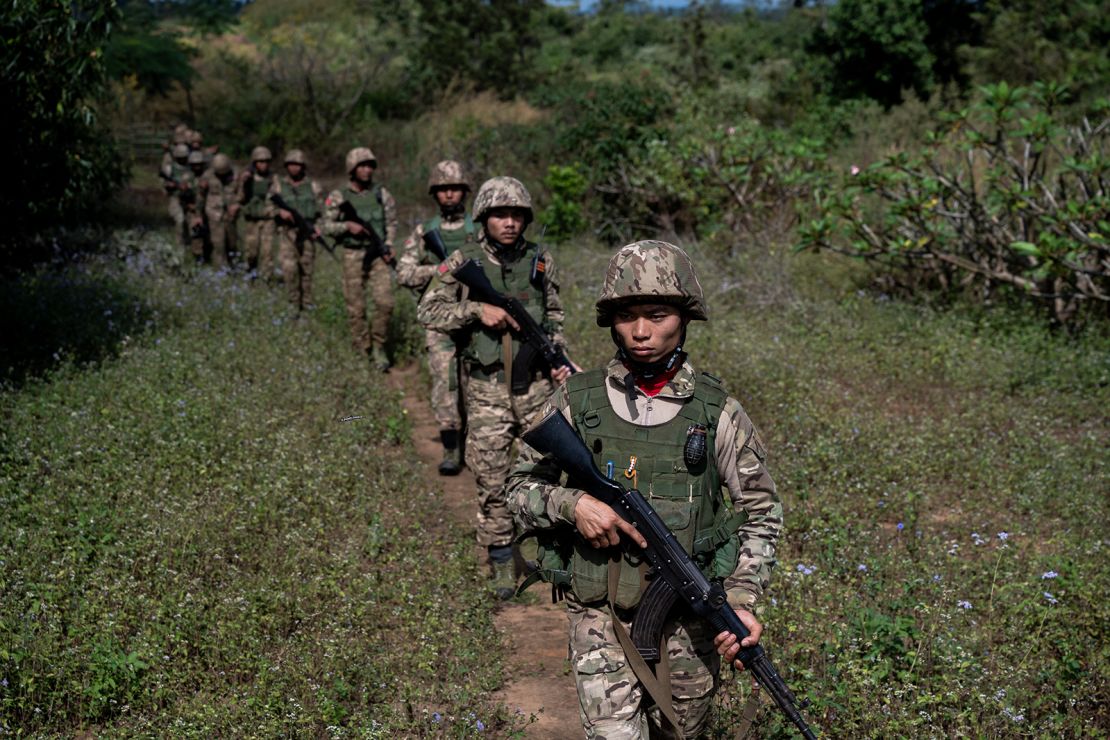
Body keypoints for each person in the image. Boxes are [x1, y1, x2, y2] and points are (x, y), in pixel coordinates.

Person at [505, 240, 782, 737]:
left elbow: (761, 513)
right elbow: (518, 486)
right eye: (627, 315)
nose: (640, 331)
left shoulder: (718, 412)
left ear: (684, 317)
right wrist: (573, 503)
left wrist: (740, 598)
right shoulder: (576, 399)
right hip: (599, 617)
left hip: (690, 626)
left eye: (656, 314)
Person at [418, 176, 574, 598]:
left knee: (548, 475)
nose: (509, 223)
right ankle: (502, 558)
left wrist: (560, 357)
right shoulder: (462, 260)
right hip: (487, 391)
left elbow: (554, 316)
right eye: (500, 215)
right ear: (484, 217)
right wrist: (476, 310)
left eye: (517, 215)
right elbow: (428, 310)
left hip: (537, 388)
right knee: (491, 478)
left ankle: (549, 553)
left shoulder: (541, 260)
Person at [397, 160, 477, 474]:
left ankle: (474, 447)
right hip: (439, 320)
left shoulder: (478, 229)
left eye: (454, 188)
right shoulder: (424, 232)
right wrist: (442, 270)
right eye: (443, 189)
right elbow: (404, 272)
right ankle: (450, 448)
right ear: (435, 193)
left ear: (464, 192)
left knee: (475, 386)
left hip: (474, 320)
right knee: (445, 385)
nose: (449, 195)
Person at [321, 147, 398, 371]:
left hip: (377, 256)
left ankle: (378, 346)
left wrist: (390, 244)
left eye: (369, 166)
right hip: (353, 255)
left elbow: (391, 222)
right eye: (362, 166)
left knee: (385, 303)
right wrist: (347, 226)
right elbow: (325, 226)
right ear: (352, 170)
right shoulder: (338, 197)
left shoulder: (381, 194)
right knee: (356, 307)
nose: (367, 170)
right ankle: (361, 350)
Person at [237, 145, 279, 280]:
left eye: (266, 162)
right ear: (255, 163)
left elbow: (279, 196)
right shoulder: (247, 178)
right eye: (261, 162)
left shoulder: (273, 178)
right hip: (252, 220)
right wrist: (243, 183)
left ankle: (267, 279)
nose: (264, 165)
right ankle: (250, 277)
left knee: (267, 253)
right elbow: (240, 199)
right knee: (251, 253)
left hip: (268, 219)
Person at [198, 153, 239, 269]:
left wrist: (237, 204)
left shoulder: (236, 174)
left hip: (231, 214)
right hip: (214, 213)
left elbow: (242, 193)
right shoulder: (207, 176)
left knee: (232, 242)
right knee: (218, 243)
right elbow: (200, 196)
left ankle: (234, 266)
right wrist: (198, 214)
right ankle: (221, 270)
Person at [161, 142, 193, 256]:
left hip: (190, 198)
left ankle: (191, 246)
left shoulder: (191, 167)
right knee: (180, 221)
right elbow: (165, 183)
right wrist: (171, 186)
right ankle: (180, 248)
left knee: (191, 223)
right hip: (176, 198)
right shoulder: (171, 169)